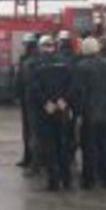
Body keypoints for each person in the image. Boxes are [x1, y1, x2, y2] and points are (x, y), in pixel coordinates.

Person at [29, 35, 74, 191]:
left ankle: (53, 181)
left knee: (49, 147)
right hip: (62, 110)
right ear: (54, 46)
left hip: (45, 112)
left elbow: (33, 88)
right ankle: (67, 180)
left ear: (41, 47)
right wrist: (64, 100)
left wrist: (45, 103)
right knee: (64, 144)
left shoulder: (35, 63)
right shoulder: (66, 63)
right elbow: (73, 84)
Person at [77, 37, 106, 189]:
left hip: (89, 114)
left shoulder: (82, 67)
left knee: (89, 147)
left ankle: (89, 179)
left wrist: (78, 113)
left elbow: (80, 93)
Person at [15, 33, 39, 169]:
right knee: (32, 131)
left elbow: (20, 81)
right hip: (33, 101)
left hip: (28, 101)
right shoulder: (37, 59)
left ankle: (31, 160)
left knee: (30, 132)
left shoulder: (26, 61)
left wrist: (18, 95)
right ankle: (30, 158)